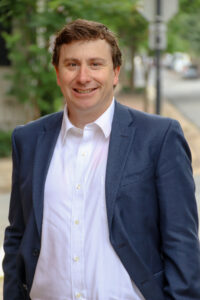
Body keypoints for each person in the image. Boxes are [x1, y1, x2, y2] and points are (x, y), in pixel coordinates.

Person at [3, 18, 200, 300]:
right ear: (58, 74)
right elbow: (18, 236)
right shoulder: (29, 140)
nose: (83, 77)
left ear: (115, 72)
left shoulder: (159, 137)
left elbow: (181, 243)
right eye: (72, 65)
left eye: (96, 64)